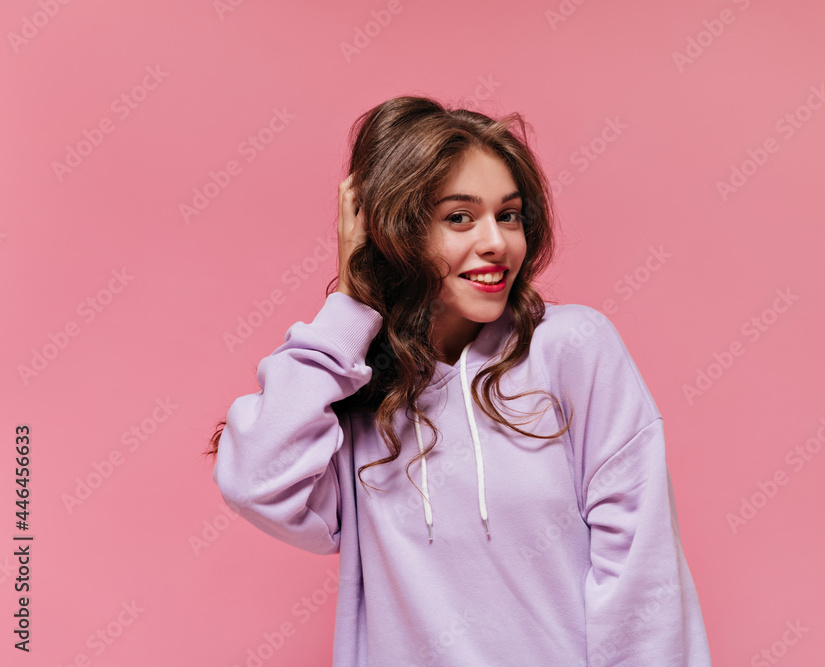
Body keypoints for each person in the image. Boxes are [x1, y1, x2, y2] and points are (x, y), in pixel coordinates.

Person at [207, 95, 711, 665]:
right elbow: (255, 483)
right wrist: (350, 303)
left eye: (509, 215)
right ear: (393, 232)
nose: (496, 242)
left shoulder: (572, 348)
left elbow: (642, 578)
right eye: (459, 218)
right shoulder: (360, 389)